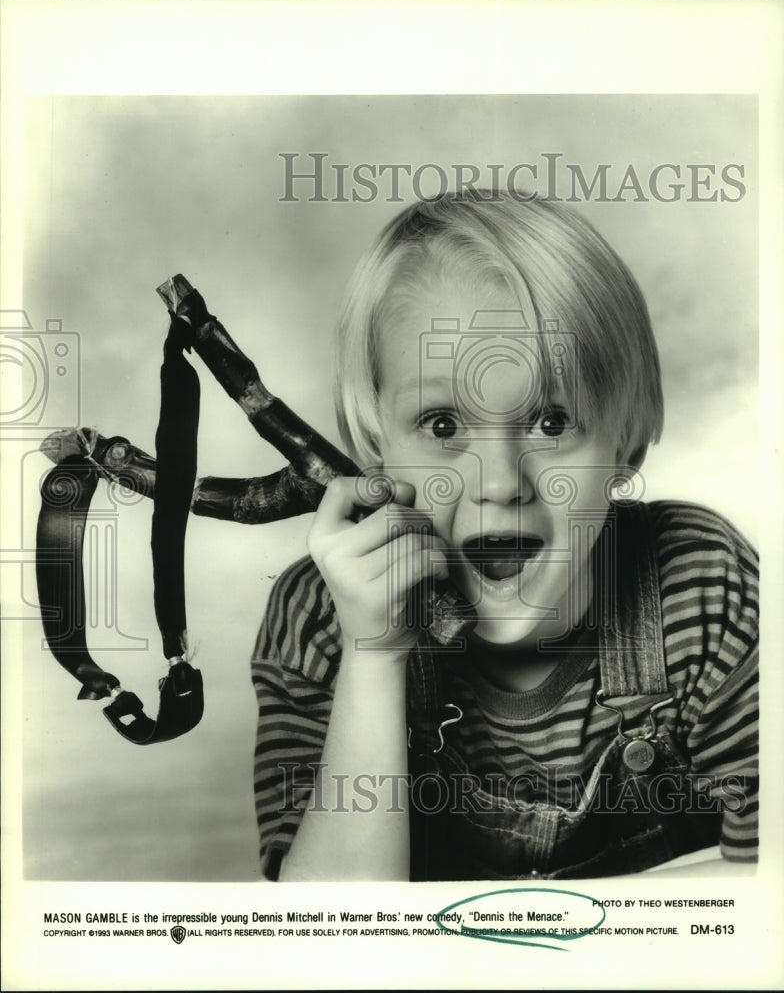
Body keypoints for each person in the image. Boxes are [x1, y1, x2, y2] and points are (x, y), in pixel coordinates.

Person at [251, 192, 758, 882]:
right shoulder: (319, 623)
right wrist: (374, 659)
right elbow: (332, 938)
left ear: (627, 445)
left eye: (551, 423)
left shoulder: (702, 586)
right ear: (375, 449)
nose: (498, 482)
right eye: (441, 426)